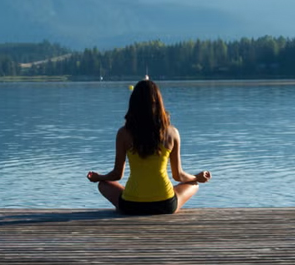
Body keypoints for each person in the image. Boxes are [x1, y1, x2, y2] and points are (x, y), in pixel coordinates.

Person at [87, 79, 211, 215]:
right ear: (159, 103)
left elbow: (117, 174)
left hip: (131, 205)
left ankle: (127, 201)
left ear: (133, 103)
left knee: (103, 184)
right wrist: (196, 177)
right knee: (193, 185)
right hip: (165, 204)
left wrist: (99, 177)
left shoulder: (123, 133)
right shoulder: (172, 132)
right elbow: (178, 176)